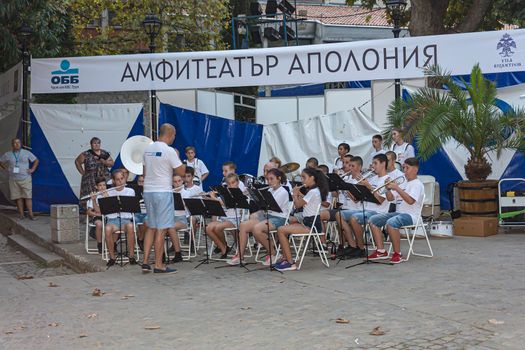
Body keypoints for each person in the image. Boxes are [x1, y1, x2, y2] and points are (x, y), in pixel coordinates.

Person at [141, 123, 186, 274]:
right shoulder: (169, 150)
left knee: (152, 226)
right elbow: (181, 172)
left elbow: (144, 171)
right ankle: (159, 265)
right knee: (162, 228)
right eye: (174, 136)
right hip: (162, 191)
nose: (174, 138)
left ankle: (146, 261)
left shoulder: (148, 149)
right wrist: (180, 160)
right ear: (170, 134)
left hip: (148, 190)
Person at [227, 168, 289, 266]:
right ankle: (240, 256)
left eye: (271, 179)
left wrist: (261, 200)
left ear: (279, 178)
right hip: (267, 216)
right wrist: (253, 196)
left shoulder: (283, 191)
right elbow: (264, 208)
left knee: (257, 229)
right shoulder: (270, 189)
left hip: (279, 218)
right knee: (243, 225)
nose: (269, 182)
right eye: (268, 179)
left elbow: (272, 207)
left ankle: (273, 254)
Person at [367, 158, 424, 264]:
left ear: (415, 170)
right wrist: (387, 189)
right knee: (373, 220)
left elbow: (410, 201)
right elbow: (390, 199)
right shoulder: (404, 183)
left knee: (392, 222)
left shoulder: (417, 184)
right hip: (399, 213)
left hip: (412, 215)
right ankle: (381, 251)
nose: (405, 171)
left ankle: (397, 254)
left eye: (407, 168)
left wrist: (397, 188)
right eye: (403, 168)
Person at [274, 168, 328, 271]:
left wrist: (295, 194)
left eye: (304, 177)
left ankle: (290, 263)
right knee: (283, 229)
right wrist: (298, 195)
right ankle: (286, 258)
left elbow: (298, 205)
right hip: (307, 222)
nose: (302, 180)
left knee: (281, 230)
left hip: (311, 226)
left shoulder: (313, 191)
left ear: (312, 178)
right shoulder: (313, 191)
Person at [344, 154, 391, 256]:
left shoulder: (387, 179)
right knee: (340, 215)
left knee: (354, 218)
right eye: (372, 163)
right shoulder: (373, 178)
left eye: (375, 163)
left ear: (383, 164)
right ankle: (355, 247)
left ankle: (361, 247)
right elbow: (359, 198)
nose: (373, 166)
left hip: (378, 211)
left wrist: (368, 186)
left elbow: (380, 200)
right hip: (365, 209)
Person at [103, 169, 138, 268]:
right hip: (113, 220)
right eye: (117, 179)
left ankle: (131, 256)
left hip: (125, 220)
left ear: (125, 178)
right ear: (114, 181)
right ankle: (112, 257)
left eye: (122, 179)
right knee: (107, 229)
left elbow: (132, 209)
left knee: (131, 227)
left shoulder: (130, 191)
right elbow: (106, 211)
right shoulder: (109, 192)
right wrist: (105, 199)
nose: (120, 181)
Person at [205, 174, 243, 260]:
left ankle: (225, 246)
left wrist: (214, 198)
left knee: (218, 228)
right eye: (228, 183)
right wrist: (206, 197)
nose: (230, 185)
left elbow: (227, 204)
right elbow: (219, 201)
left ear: (237, 182)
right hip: (223, 219)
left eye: (233, 183)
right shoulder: (225, 192)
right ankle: (223, 247)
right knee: (208, 228)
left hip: (234, 220)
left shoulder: (239, 193)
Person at [0, 138, 39, 220]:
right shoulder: (8, 154)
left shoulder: (26, 152)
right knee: (18, 198)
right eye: (15, 143)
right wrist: (5, 169)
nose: (17, 144)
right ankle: (21, 215)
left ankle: (31, 215)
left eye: (18, 143)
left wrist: (32, 169)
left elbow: (36, 160)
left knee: (28, 197)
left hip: (26, 178)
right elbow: (0, 161)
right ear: (12, 145)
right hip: (13, 179)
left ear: (21, 144)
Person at [75, 137, 114, 201]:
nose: (96, 145)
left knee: (105, 194)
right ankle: (90, 209)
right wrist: (83, 173)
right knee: (90, 195)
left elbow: (111, 164)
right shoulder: (86, 154)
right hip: (90, 179)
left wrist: (104, 162)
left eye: (98, 143)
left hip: (103, 177)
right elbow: (77, 162)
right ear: (91, 144)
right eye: (94, 143)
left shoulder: (104, 153)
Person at [86, 177, 107, 253]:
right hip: (98, 217)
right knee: (99, 224)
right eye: (100, 185)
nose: (102, 187)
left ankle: (113, 244)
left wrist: (106, 198)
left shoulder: (109, 195)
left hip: (109, 216)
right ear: (96, 187)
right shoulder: (94, 196)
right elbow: (88, 212)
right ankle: (100, 244)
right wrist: (97, 213)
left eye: (104, 185)